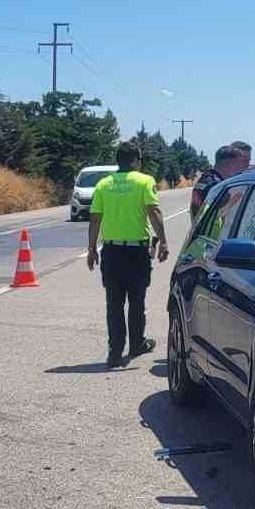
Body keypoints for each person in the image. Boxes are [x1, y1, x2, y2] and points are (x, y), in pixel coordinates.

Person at [87, 142, 169, 368]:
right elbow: (154, 212)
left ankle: (114, 352)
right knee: (136, 301)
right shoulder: (144, 181)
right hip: (136, 252)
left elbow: (95, 219)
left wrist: (92, 249)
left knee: (113, 303)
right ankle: (136, 344)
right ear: (135, 160)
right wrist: (163, 241)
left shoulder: (103, 184)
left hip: (111, 252)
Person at [191, 143, 243, 218]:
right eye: (238, 164)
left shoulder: (205, 179)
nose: (240, 169)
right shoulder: (217, 186)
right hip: (213, 229)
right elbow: (221, 214)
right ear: (228, 163)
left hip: (200, 227)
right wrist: (234, 200)